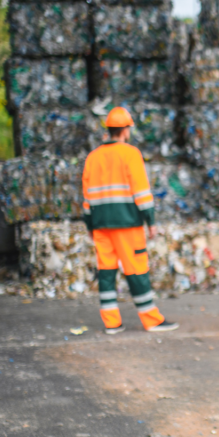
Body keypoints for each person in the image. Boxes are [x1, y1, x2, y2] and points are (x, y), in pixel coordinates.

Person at [82, 106, 179, 335]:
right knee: (136, 270)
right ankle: (151, 319)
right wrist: (151, 221)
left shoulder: (93, 157)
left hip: (100, 225)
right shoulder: (131, 154)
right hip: (127, 224)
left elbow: (86, 197)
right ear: (125, 131)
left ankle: (111, 323)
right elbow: (142, 192)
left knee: (106, 272)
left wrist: (89, 224)